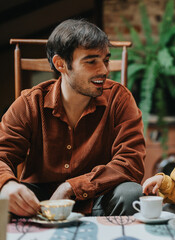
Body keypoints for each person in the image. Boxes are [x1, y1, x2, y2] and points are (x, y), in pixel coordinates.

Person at [0, 19, 145, 217]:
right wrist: (6, 184)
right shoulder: (30, 102)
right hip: (37, 202)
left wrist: (71, 187)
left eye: (106, 60)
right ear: (61, 64)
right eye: (91, 61)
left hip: (97, 199)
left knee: (131, 193)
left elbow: (131, 162)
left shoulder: (119, 98)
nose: (104, 70)